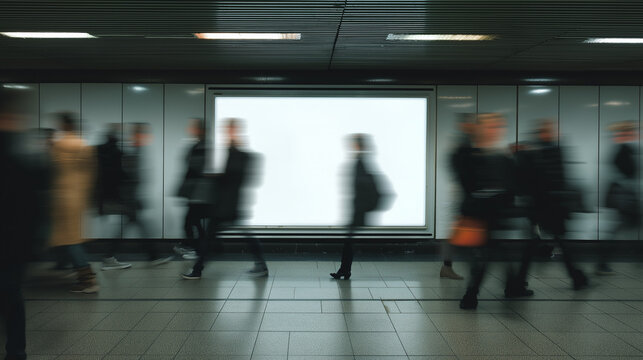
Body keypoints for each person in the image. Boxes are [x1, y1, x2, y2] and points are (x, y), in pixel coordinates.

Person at [453, 113, 532, 310]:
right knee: (486, 255)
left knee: (495, 252)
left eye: (498, 126)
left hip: (495, 215)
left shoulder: (501, 156)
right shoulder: (469, 155)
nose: (495, 130)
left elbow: (515, 184)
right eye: (491, 126)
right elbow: (468, 183)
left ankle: (499, 288)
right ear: (480, 129)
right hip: (479, 216)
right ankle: (473, 293)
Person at [182, 118, 267, 279]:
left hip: (228, 204)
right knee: (218, 236)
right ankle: (198, 269)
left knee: (212, 237)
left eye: (228, 129)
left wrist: (214, 177)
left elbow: (234, 177)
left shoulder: (238, 154)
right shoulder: (233, 152)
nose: (226, 132)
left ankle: (197, 270)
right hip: (227, 203)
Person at [514, 119, 588, 290]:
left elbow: (525, 181)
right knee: (559, 242)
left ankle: (519, 280)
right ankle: (576, 277)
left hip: (540, 206)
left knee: (536, 243)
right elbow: (559, 180)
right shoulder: (551, 152)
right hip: (551, 207)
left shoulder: (532, 152)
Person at [49, 112, 99, 293]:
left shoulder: (60, 144)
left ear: (64, 125)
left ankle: (86, 278)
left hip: (63, 197)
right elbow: (90, 174)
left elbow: (52, 170)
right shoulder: (83, 144)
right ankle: (75, 269)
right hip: (78, 197)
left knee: (70, 239)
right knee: (71, 238)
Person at [0, 90, 33, 360]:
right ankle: (16, 350)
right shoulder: (20, 153)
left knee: (10, 293)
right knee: (12, 294)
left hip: (12, 239)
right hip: (15, 240)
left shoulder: (16, 151)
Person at [331, 134, 383, 280]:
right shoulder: (362, 162)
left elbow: (361, 186)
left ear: (357, 146)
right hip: (358, 209)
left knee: (349, 242)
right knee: (349, 241)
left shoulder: (360, 163)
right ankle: (344, 270)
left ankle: (344, 270)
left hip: (358, 210)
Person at [599, 121, 640, 275]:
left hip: (622, 196)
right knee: (617, 229)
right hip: (623, 197)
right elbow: (625, 173)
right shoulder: (624, 150)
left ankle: (602, 263)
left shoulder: (625, 150)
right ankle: (602, 263)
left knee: (620, 228)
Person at [176, 119, 210, 260]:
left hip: (198, 193)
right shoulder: (200, 146)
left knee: (189, 222)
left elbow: (193, 169)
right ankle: (199, 248)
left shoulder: (201, 148)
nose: (191, 130)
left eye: (193, 128)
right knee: (194, 222)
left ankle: (196, 249)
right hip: (198, 193)